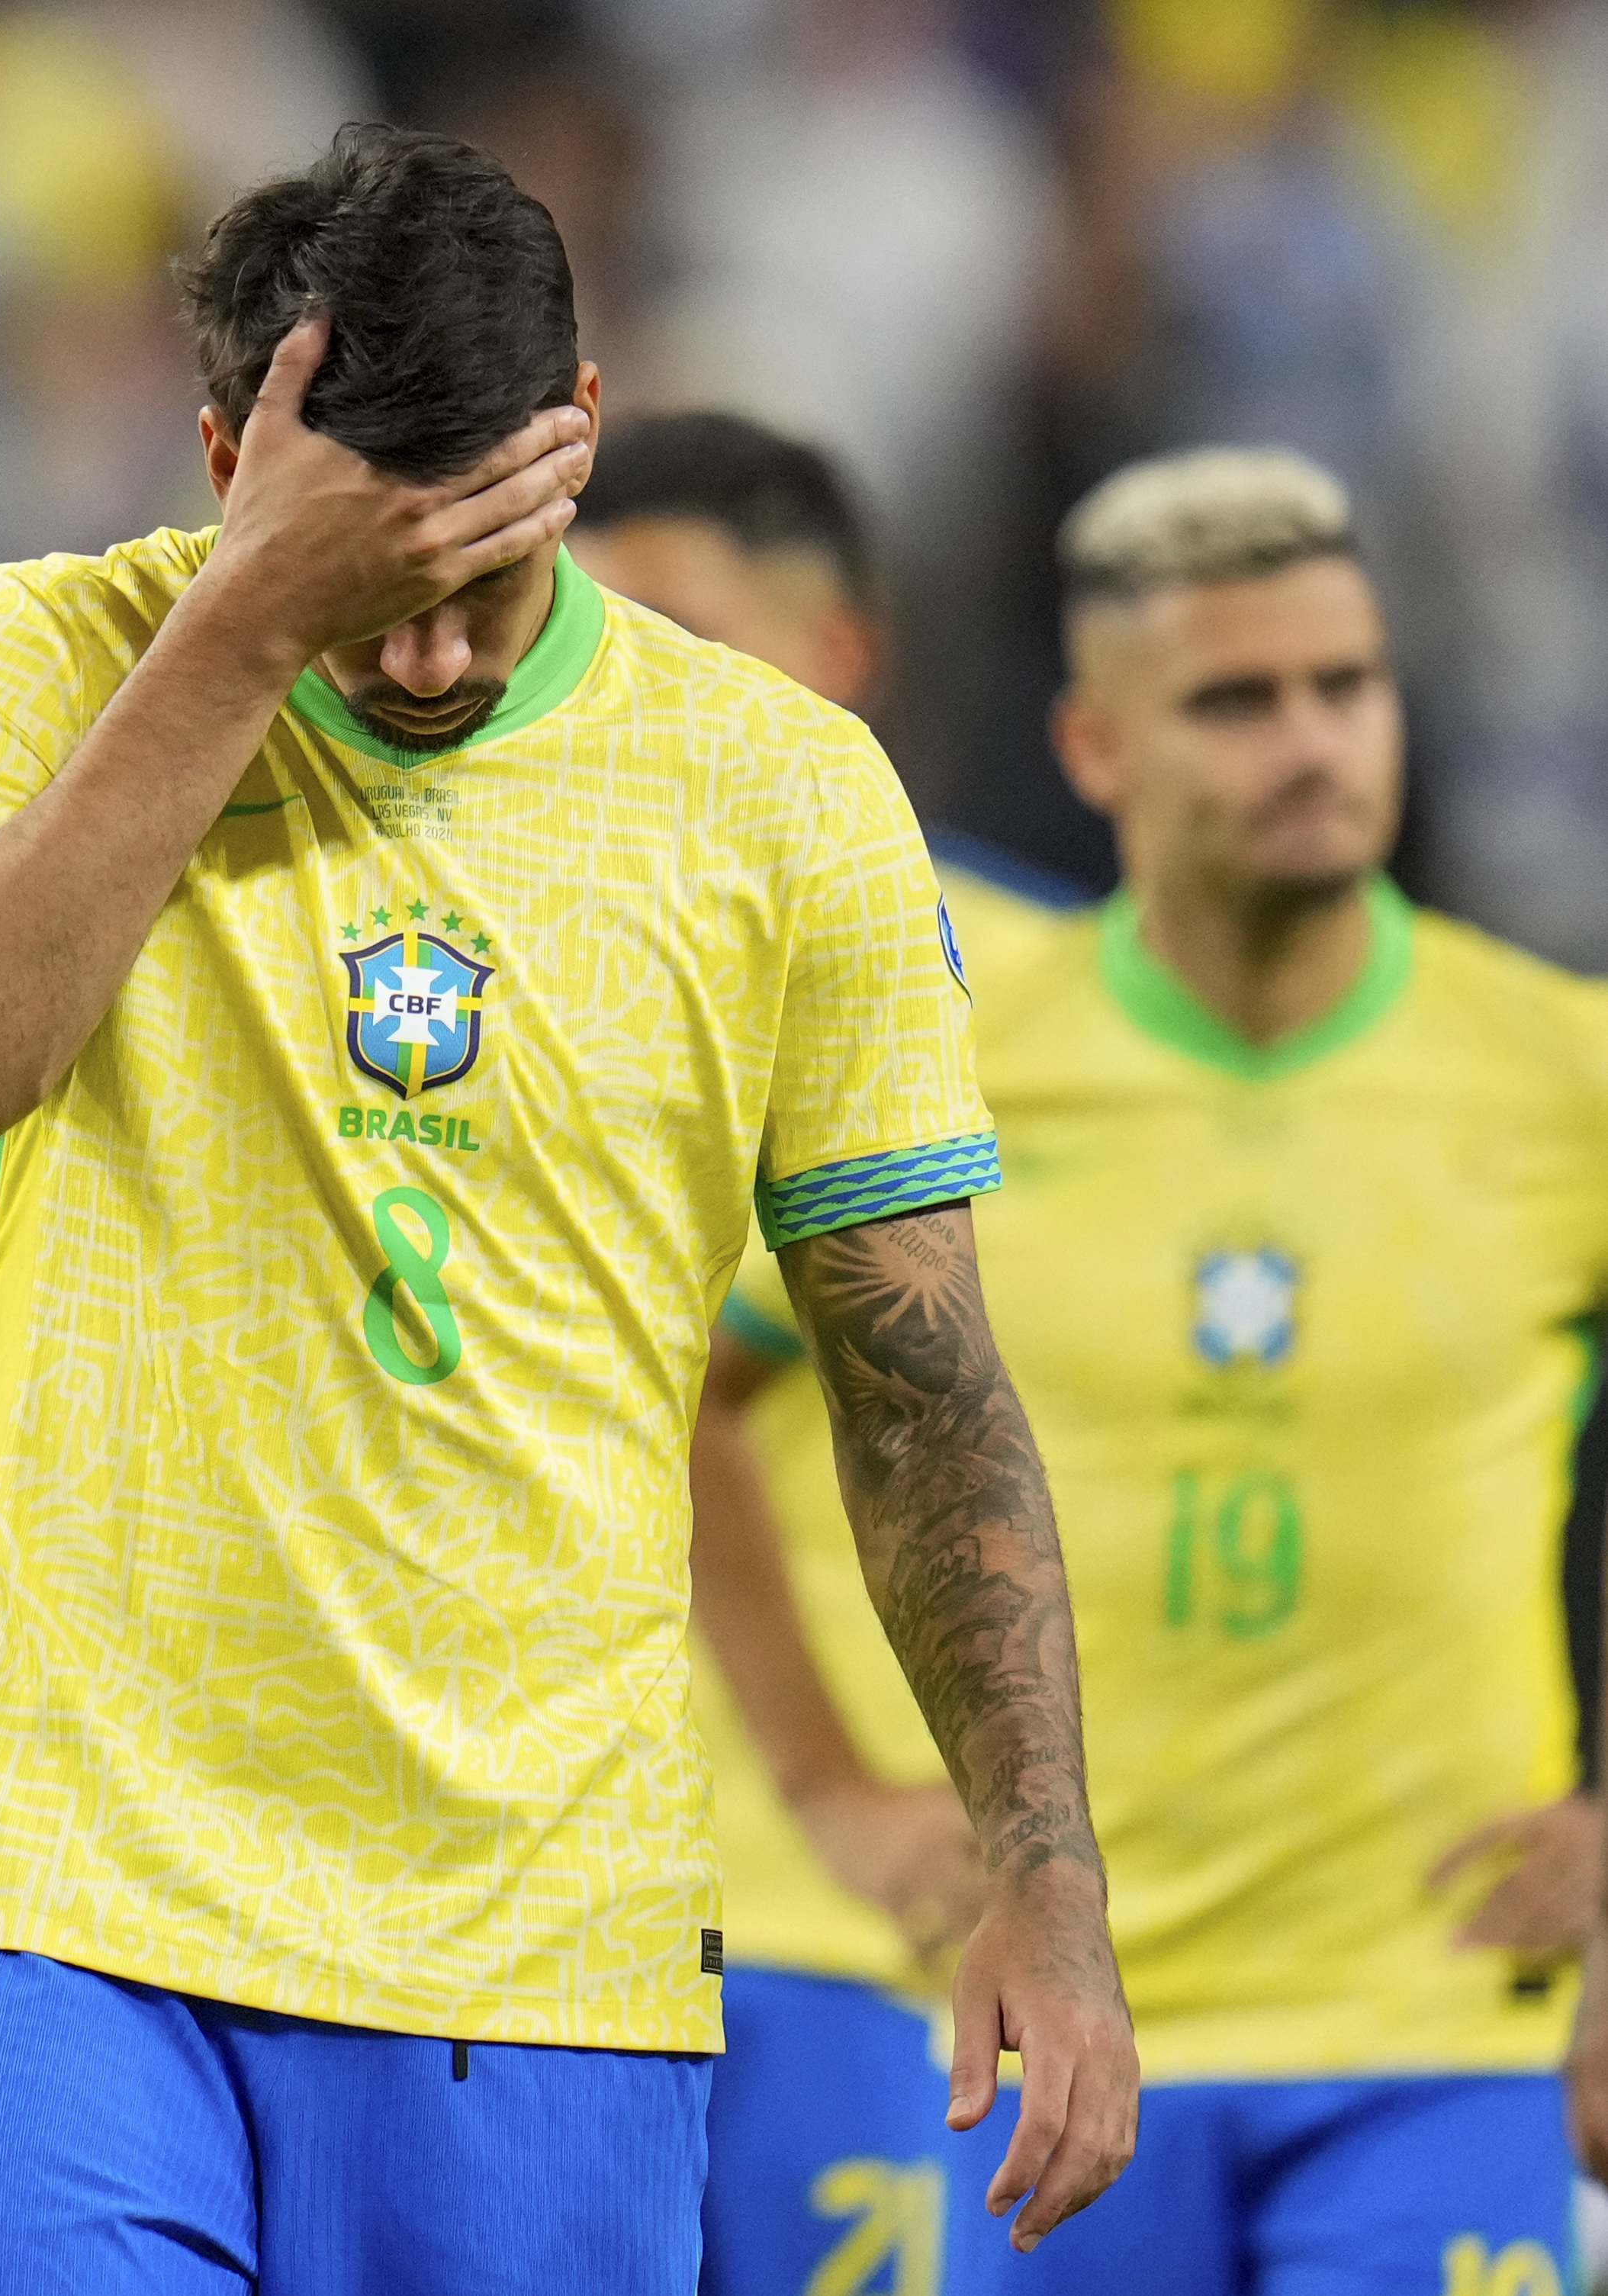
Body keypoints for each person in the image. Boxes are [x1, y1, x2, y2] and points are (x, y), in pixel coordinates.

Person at [0, 124, 1137, 2293]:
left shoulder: (782, 795)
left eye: (485, 574)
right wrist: (248, 625)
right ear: (223, 456)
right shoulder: (57, 653)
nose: (425, 657)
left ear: (581, 436)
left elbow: (918, 1383)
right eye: (369, 580)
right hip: (67, 1903)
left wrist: (1046, 1876)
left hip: (536, 1949)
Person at [726, 444, 1606, 2293]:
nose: (1308, 741)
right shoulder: (951, 1052)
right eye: (1232, 699)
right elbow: (693, 1405)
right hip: (1048, 2038)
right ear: (1094, 749)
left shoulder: (1556, 1071)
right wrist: (829, 1795)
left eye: (1342, 686)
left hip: (1431, 2023)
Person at [571, 410, 1073, 2295]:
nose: (620, 694)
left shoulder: (1025, 995)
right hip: (532, 1899)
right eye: (584, 636)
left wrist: (844, 1794)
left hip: (835, 1924)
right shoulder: (489, 975)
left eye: (677, 632)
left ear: (837, 656)